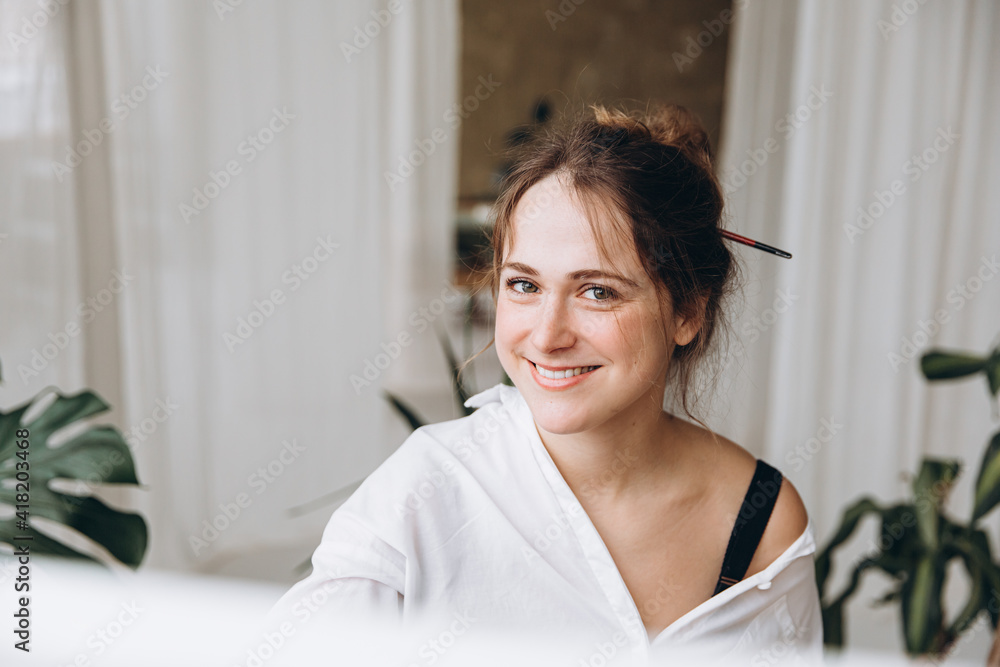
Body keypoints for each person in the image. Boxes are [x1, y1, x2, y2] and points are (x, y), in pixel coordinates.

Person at [268, 103, 823, 665]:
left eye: (597, 291)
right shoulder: (425, 493)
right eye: (524, 285)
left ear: (687, 313)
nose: (547, 335)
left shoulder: (762, 517)